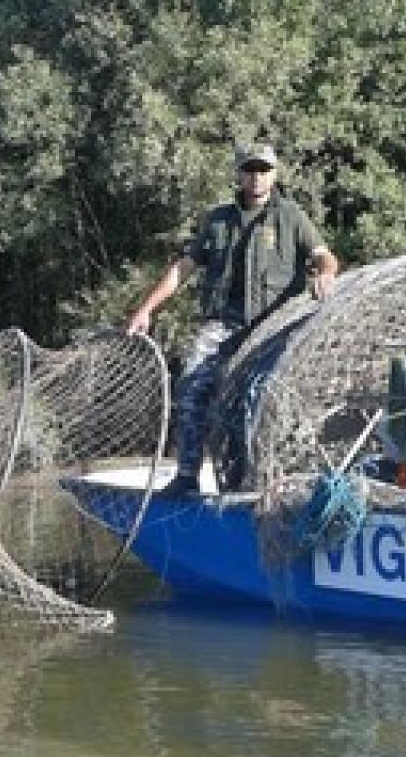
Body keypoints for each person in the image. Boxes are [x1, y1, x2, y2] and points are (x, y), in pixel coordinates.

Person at [126, 142, 339, 497]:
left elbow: (325, 257)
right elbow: (183, 268)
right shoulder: (218, 220)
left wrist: (326, 273)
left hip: (273, 327)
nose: (256, 177)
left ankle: (255, 482)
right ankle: (186, 476)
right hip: (224, 324)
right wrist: (146, 309)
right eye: (250, 170)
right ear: (239, 175)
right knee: (192, 385)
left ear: (274, 174)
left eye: (263, 170)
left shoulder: (291, 217)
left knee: (256, 400)